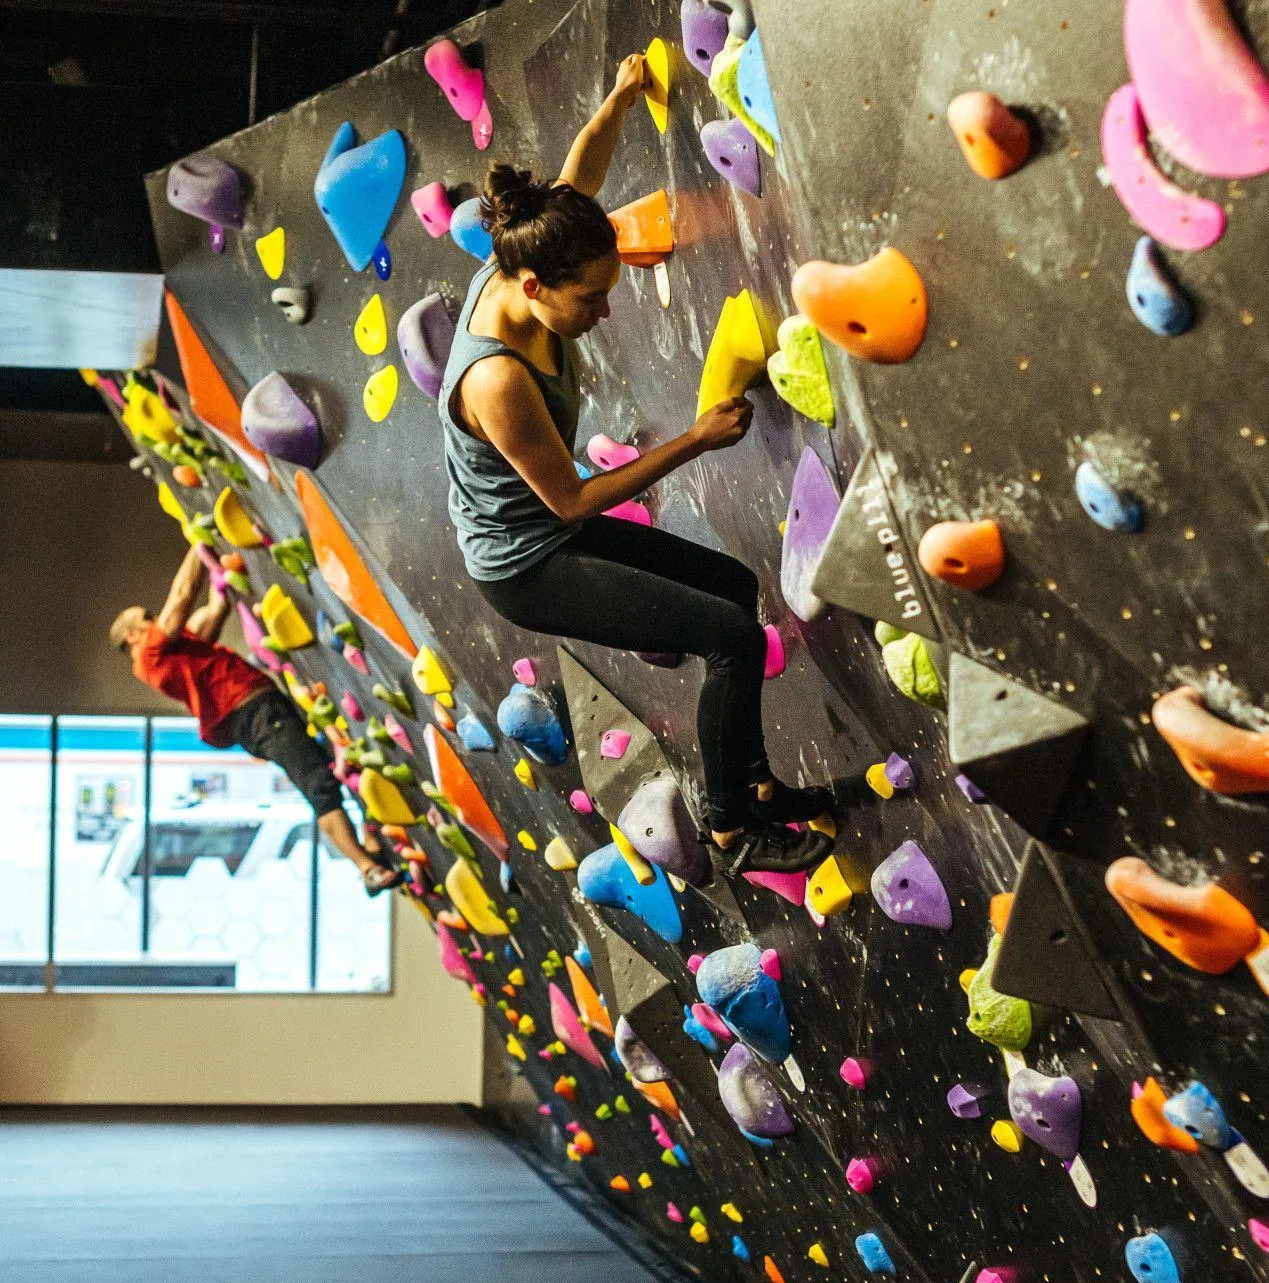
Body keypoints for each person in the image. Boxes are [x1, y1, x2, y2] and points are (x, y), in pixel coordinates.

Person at [442, 53, 835, 876]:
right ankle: (730, 827)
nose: (604, 308)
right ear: (535, 287)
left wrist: (619, 95)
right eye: (588, 298)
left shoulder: (534, 246)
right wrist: (692, 438)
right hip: (527, 561)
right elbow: (573, 500)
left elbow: (580, 169)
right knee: (729, 636)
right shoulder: (498, 379)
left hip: (546, 530)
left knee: (732, 589)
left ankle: (751, 784)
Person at [110, 548, 402, 892]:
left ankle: (371, 849)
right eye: (145, 618)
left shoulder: (177, 652)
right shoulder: (147, 656)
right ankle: (366, 867)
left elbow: (212, 611)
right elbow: (181, 597)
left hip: (264, 710)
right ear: (132, 635)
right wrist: (195, 545)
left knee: (334, 767)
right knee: (319, 784)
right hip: (254, 716)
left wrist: (219, 577)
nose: (153, 618)